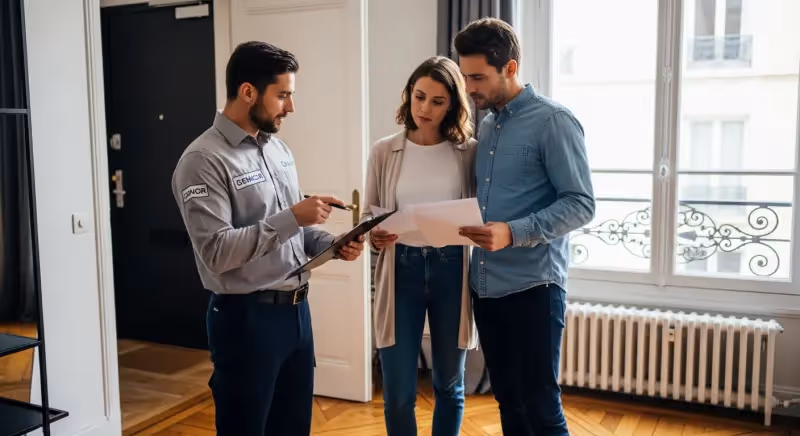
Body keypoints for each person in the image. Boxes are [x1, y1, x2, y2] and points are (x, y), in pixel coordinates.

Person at [171, 41, 365, 436]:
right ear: (248, 92)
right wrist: (293, 215)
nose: (290, 108)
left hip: (296, 316)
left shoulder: (278, 151)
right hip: (246, 320)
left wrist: (332, 244)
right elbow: (217, 252)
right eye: (283, 96)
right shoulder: (202, 161)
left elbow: (296, 234)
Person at [455, 18, 596, 436]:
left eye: (478, 77)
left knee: (540, 404)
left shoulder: (554, 121)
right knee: (507, 400)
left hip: (535, 287)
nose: (469, 88)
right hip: (485, 285)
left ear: (511, 68)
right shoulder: (486, 125)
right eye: (465, 76)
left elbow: (581, 204)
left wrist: (513, 232)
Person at [363, 56, 478, 436]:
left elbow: (480, 212)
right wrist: (374, 235)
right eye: (419, 96)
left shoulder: (468, 152)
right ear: (408, 95)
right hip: (400, 271)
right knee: (397, 392)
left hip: (452, 270)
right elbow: (369, 217)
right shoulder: (384, 151)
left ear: (453, 106)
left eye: (437, 101)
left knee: (449, 384)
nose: (425, 108)